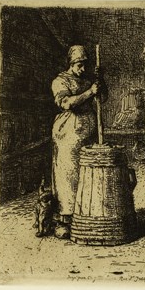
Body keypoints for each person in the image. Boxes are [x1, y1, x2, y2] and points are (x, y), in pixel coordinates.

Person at [51, 45, 106, 239]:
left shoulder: (87, 81)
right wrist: (90, 92)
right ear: (71, 64)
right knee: (69, 175)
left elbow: (102, 99)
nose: (83, 69)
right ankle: (65, 220)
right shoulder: (60, 81)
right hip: (69, 135)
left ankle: (87, 217)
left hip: (88, 135)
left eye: (85, 65)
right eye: (79, 65)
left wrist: (100, 85)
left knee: (89, 174)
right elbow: (67, 103)